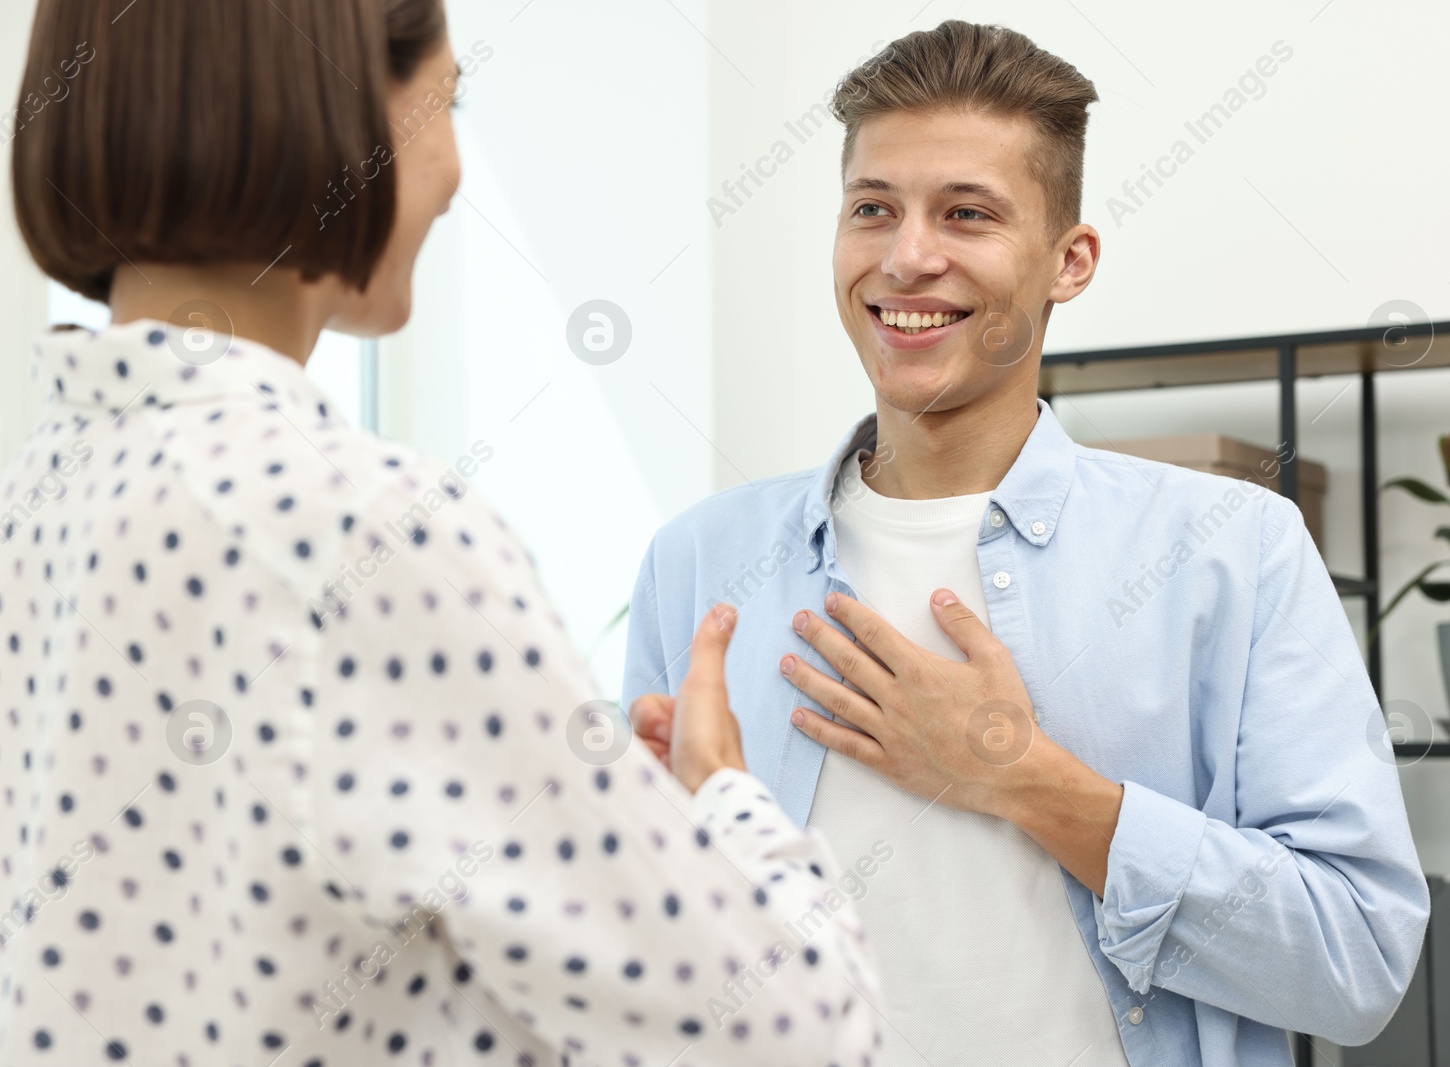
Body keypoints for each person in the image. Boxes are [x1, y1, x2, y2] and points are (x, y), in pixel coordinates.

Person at [0, 2, 881, 1064]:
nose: (458, 172)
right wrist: (726, 803)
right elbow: (791, 1032)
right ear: (329, 104)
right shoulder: (353, 534)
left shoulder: (42, 497)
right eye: (446, 102)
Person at [625, 19, 1429, 1067]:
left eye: (968, 214)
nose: (908, 257)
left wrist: (1020, 775)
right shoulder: (696, 559)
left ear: (1069, 260)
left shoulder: (1233, 550)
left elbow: (1355, 955)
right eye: (873, 208)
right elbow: (630, 958)